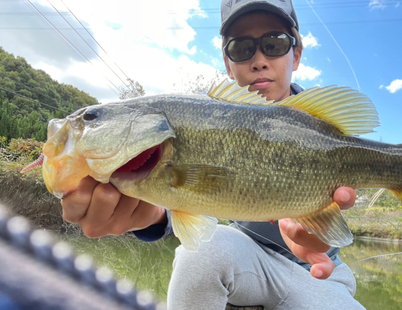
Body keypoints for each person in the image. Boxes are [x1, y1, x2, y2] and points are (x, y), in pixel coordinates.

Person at [61, 0, 365, 309]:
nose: (259, 60)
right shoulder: (205, 120)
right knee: (202, 251)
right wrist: (149, 214)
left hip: (322, 275)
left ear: (296, 54)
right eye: (241, 48)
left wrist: (320, 229)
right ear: (227, 63)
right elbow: (182, 201)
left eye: (274, 43)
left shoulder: (323, 126)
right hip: (242, 259)